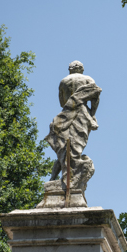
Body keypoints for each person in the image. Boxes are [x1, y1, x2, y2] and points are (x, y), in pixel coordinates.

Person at [46, 61, 101, 190]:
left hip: (65, 115)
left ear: (69, 69)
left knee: (64, 149)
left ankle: (55, 178)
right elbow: (96, 96)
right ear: (82, 69)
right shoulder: (87, 79)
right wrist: (92, 114)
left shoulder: (63, 81)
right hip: (81, 115)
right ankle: (71, 179)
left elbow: (61, 101)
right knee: (76, 148)